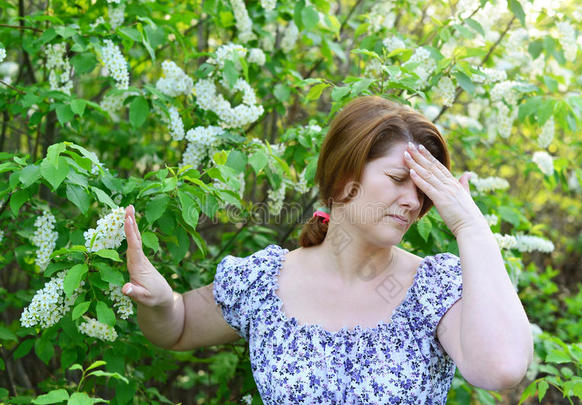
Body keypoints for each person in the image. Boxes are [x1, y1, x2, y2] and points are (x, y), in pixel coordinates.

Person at [122, 95, 533, 404]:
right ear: (342, 179)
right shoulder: (264, 281)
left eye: (423, 187)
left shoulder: (434, 290)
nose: (414, 201)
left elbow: (500, 369)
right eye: (396, 178)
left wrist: (472, 228)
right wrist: (159, 301)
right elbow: (175, 326)